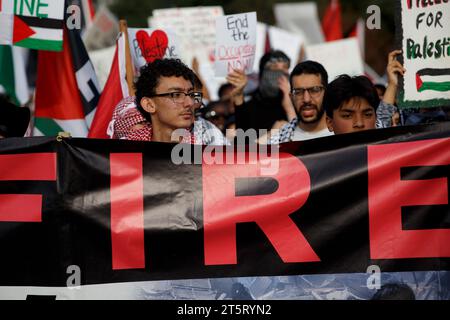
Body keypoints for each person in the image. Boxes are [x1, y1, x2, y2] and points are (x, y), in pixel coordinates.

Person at [108, 59, 198, 143]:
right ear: (149, 105)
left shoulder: (203, 155)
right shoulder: (127, 153)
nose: (189, 103)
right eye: (176, 95)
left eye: (191, 95)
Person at [227, 50, 294, 136]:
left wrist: (289, 107)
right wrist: (270, 135)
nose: (281, 73)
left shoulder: (296, 101)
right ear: (263, 72)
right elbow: (242, 142)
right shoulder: (247, 104)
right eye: (274, 67)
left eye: (285, 67)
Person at [269, 60, 334, 144]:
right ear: (291, 97)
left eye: (314, 90)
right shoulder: (278, 140)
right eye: (298, 92)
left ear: (326, 93)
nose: (306, 99)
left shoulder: (343, 132)